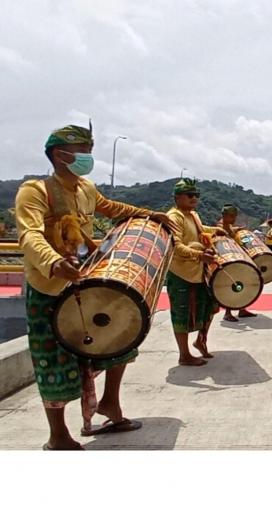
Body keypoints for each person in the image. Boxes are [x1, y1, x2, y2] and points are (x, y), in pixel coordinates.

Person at [15, 123, 174, 449]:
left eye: (89, 151)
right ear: (59, 155)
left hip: (87, 280)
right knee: (52, 362)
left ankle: (110, 404)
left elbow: (112, 208)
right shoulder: (35, 191)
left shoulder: (86, 188)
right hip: (49, 286)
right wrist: (53, 261)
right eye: (82, 152)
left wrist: (149, 214)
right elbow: (29, 234)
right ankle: (58, 435)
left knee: (121, 339)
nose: (88, 157)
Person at [166, 178, 226, 366]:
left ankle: (200, 340)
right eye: (190, 195)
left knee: (210, 306)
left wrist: (216, 230)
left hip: (199, 272)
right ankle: (184, 355)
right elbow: (175, 246)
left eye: (196, 195)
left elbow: (201, 230)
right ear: (177, 197)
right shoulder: (174, 217)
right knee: (181, 314)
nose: (194, 198)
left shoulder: (193, 214)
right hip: (181, 274)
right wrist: (199, 255)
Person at [217, 204, 257, 323]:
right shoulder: (219, 228)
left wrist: (238, 229)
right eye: (231, 216)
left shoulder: (229, 226)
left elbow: (232, 232)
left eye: (235, 216)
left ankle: (242, 309)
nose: (234, 218)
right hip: (228, 261)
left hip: (237, 259)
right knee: (230, 286)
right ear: (224, 216)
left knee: (242, 283)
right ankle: (227, 313)